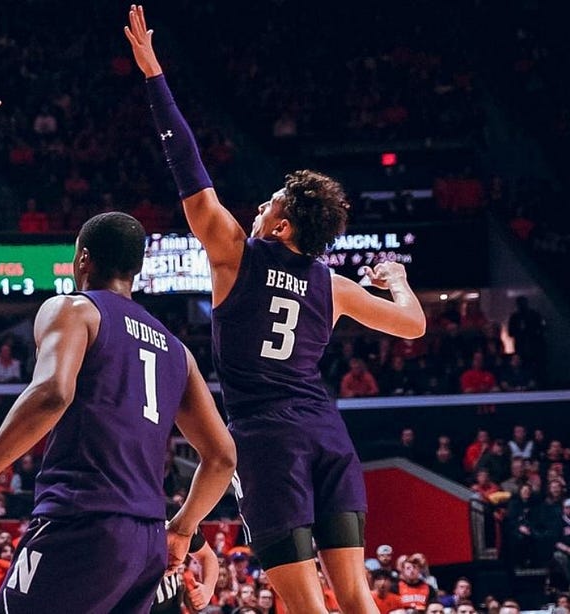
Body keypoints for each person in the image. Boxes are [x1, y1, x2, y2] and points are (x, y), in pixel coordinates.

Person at [124, 6, 426, 613]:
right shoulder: (332, 285)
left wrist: (155, 75)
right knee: (358, 599)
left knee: (305, 607)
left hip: (267, 439)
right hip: (327, 433)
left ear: (281, 223)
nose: (257, 207)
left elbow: (188, 166)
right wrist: (393, 276)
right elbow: (413, 324)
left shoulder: (236, 253)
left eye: (267, 202)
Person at [0, 212, 236, 614]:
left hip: (82, 520)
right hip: (146, 542)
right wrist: (182, 527)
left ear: (83, 259)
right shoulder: (177, 351)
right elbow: (222, 457)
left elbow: (52, 395)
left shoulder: (74, 310)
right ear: (136, 269)